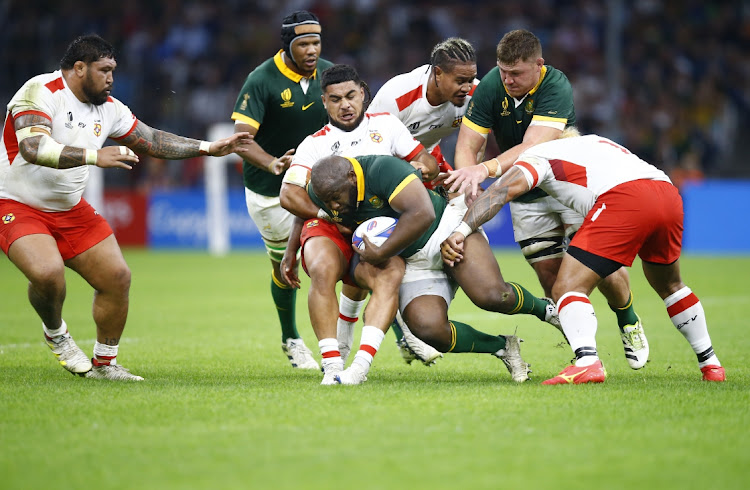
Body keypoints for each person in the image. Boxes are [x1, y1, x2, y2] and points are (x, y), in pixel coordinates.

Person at [0, 34, 253, 381]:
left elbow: (151, 140)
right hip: (17, 203)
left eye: (113, 71)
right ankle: (56, 333)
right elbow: (32, 146)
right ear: (79, 68)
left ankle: (105, 365)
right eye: (104, 70)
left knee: (117, 277)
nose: (110, 79)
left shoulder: (110, 107)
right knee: (47, 274)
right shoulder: (40, 91)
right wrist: (95, 156)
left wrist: (209, 148)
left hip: (70, 208)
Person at [441, 130, 726, 384]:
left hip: (624, 199)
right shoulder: (595, 141)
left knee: (566, 287)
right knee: (671, 286)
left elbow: (500, 193)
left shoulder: (539, 154)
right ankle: (711, 364)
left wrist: (463, 229)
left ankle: (587, 363)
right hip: (666, 193)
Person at [444, 29, 649, 370]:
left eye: (516, 73)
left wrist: (486, 169)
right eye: (503, 71)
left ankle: (628, 319)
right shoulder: (493, 85)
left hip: (567, 186)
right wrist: (468, 181)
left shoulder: (556, 85)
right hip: (525, 194)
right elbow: (467, 144)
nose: (507, 79)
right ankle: (587, 356)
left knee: (599, 265)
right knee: (552, 280)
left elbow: (533, 148)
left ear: (538, 65)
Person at [308, 154, 563, 384]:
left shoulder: (381, 169)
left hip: (446, 228)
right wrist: (289, 253)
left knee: (493, 296)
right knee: (428, 328)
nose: (334, 207)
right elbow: (296, 203)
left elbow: (423, 213)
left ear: (352, 178)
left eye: (337, 198)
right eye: (327, 202)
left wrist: (382, 253)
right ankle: (503, 347)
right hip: (414, 262)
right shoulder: (320, 190)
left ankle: (549, 310)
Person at [279, 64, 441, 383]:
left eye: (351, 95)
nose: (345, 104)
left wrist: (420, 170)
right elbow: (290, 195)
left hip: (375, 223)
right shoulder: (314, 144)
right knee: (324, 269)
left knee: (383, 275)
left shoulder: (386, 126)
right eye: (336, 99)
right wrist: (297, 242)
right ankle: (332, 364)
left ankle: (360, 359)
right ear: (324, 102)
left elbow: (428, 162)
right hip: (331, 223)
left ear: (363, 94)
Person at [230, 10, 334, 370]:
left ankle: (373, 336)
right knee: (286, 265)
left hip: (318, 187)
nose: (311, 50)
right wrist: (273, 162)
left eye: (316, 42)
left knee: (349, 254)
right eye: (303, 43)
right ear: (287, 46)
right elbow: (241, 140)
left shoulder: (328, 74)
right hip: (269, 191)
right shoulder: (261, 79)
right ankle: (291, 338)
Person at [367, 37, 481, 361]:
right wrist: (409, 174)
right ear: (437, 74)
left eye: (471, 78)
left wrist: (466, 174)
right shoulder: (396, 96)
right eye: (460, 80)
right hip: (387, 169)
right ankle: (399, 331)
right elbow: (371, 152)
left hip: (430, 161)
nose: (468, 87)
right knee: (378, 254)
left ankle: (423, 309)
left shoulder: (474, 92)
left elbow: (477, 140)